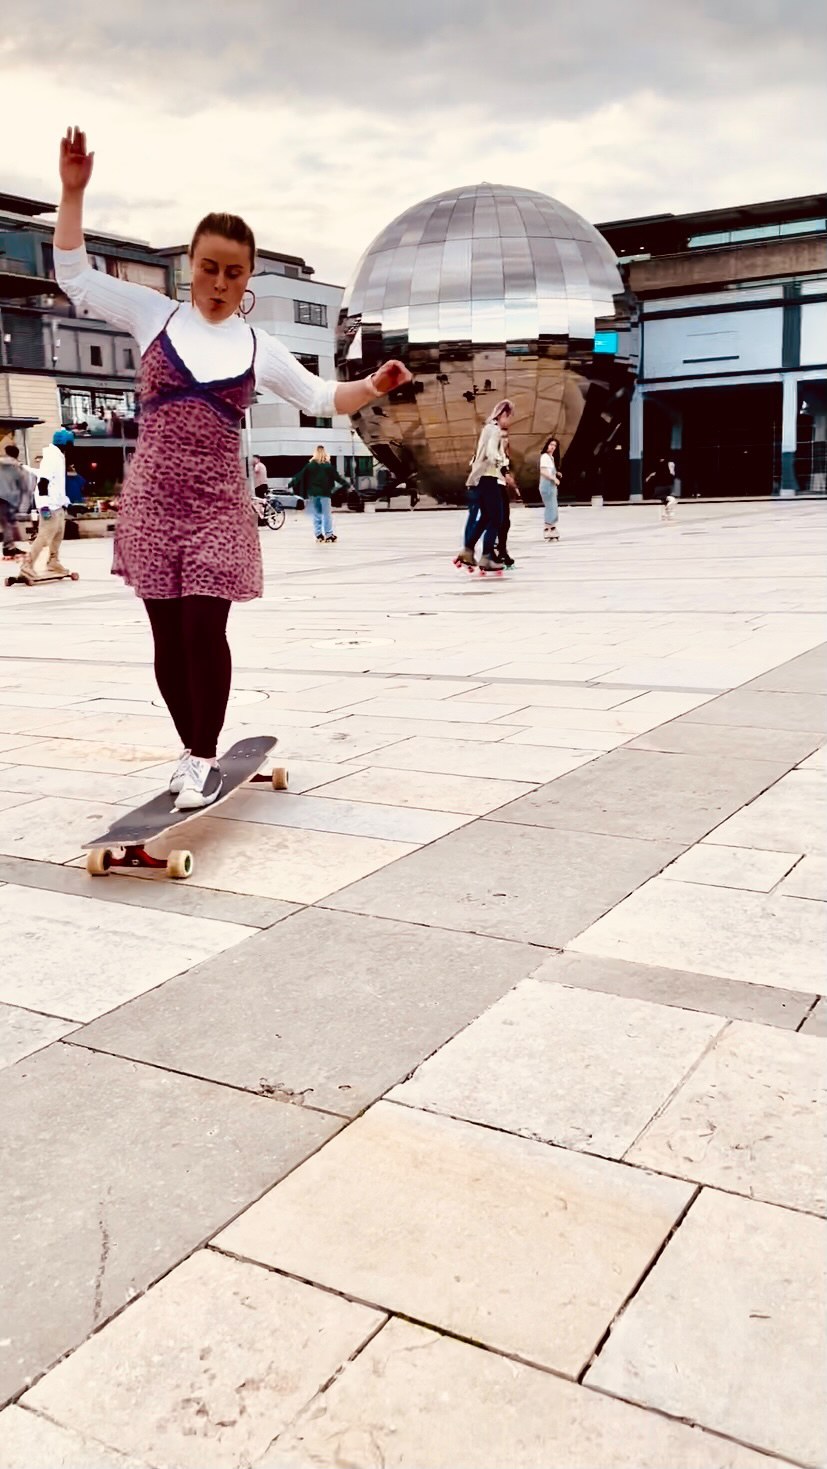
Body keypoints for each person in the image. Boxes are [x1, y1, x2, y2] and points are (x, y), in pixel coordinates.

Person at [53, 125, 411, 810]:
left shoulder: (256, 343)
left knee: (201, 629)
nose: (220, 282)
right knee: (165, 636)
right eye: (210, 267)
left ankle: (201, 756)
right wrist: (73, 192)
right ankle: (190, 750)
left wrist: (373, 387)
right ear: (191, 265)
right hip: (153, 504)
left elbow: (315, 396)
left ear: (248, 278)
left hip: (217, 506)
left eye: (234, 271)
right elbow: (72, 273)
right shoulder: (152, 315)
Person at [455, 399, 514, 572]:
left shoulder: (487, 428)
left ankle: (468, 550)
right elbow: (491, 452)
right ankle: (487, 556)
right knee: (496, 518)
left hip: (480, 480)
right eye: (508, 417)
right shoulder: (494, 429)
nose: (508, 421)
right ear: (503, 414)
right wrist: (500, 461)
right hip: (488, 478)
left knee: (486, 516)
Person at [20, 430, 74, 580]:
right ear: (67, 444)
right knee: (44, 537)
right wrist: (44, 507)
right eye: (71, 445)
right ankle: (27, 565)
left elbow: (56, 484)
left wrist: (68, 504)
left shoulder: (57, 456)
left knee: (58, 535)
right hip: (49, 506)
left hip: (57, 505)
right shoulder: (52, 457)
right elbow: (43, 483)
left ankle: (53, 562)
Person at [290, 447, 350, 543]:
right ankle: (329, 535)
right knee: (326, 515)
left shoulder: (310, 466)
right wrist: (347, 485)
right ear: (324, 454)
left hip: (313, 494)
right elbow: (337, 477)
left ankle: (318, 535)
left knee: (317, 514)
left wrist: (290, 484)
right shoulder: (327, 466)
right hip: (325, 493)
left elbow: (300, 476)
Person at [0, 445, 33, 558]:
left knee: (7, 523)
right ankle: (8, 547)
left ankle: (9, 546)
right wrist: (24, 506)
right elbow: (24, 487)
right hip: (8, 498)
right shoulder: (18, 467)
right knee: (8, 523)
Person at [494, 429, 519, 568]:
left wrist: (513, 485)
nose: (505, 439)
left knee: (505, 521)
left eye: (506, 437)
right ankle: (496, 550)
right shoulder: (493, 452)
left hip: (501, 486)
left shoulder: (503, 454)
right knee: (498, 521)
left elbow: (506, 472)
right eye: (502, 437)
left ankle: (502, 549)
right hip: (494, 486)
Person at [539, 436, 561, 541]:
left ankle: (552, 527)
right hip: (546, 484)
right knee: (550, 506)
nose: (552, 447)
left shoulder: (551, 458)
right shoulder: (544, 456)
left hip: (551, 485)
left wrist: (557, 473)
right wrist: (554, 478)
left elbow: (550, 470)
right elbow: (543, 471)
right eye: (551, 444)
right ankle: (548, 529)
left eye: (554, 445)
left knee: (553, 506)